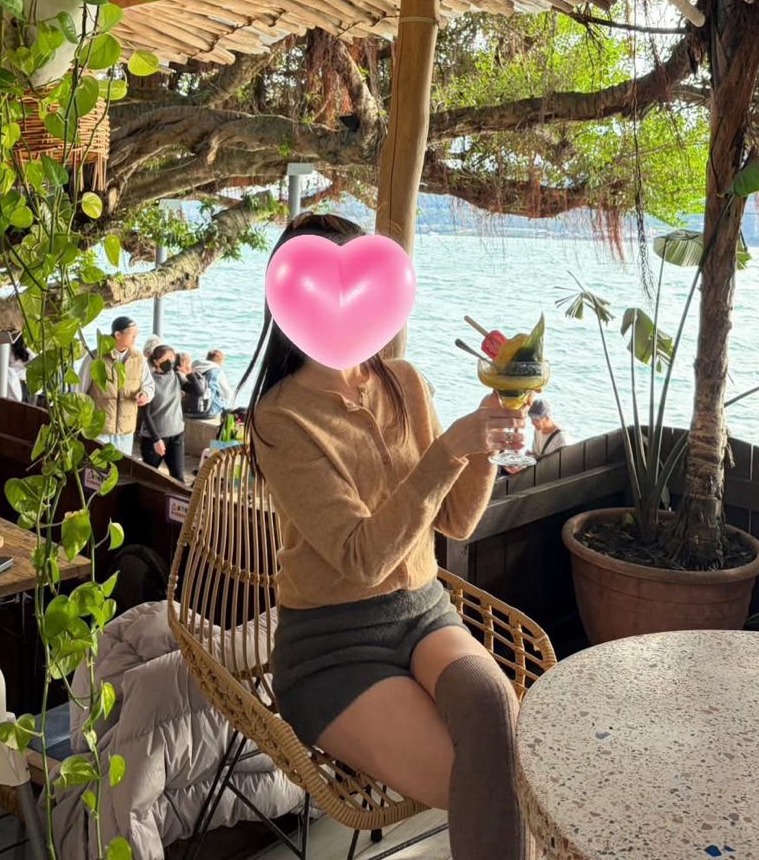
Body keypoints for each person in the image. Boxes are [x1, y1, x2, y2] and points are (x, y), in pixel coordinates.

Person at [245, 213, 534, 860]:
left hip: (423, 613)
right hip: (332, 646)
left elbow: (456, 520)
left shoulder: (404, 383)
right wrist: (449, 449)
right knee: (491, 781)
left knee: (491, 707)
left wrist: (485, 438)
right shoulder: (280, 418)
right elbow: (364, 558)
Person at [78, 315, 154, 456]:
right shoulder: (95, 357)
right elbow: (79, 390)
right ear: (118, 335)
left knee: (121, 466)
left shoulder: (138, 359)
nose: (135, 337)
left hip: (125, 430)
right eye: (132, 333)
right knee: (96, 465)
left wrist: (145, 394)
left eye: (137, 333)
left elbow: (149, 385)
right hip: (99, 427)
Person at [139, 344, 186, 482]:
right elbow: (145, 414)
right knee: (149, 477)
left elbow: (198, 391)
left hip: (176, 434)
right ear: (156, 362)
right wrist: (156, 439)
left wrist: (189, 373)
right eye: (166, 359)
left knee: (178, 478)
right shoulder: (150, 381)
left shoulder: (177, 377)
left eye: (172, 358)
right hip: (154, 437)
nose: (170, 362)